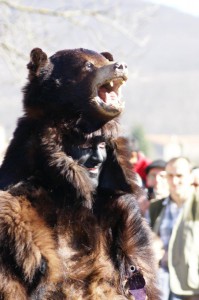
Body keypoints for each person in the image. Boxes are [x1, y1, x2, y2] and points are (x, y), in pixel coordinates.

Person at [149, 157, 199, 300]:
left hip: (191, 289)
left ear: (190, 177)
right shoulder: (156, 207)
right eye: (170, 176)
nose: (174, 181)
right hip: (162, 287)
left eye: (179, 176)